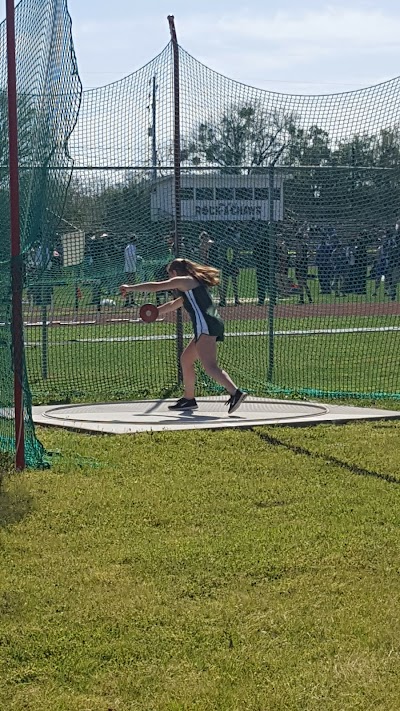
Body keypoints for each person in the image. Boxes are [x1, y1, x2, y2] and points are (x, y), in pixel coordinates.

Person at [119, 258, 247, 414]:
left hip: (205, 325)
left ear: (174, 273)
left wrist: (130, 288)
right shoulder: (191, 286)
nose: (170, 279)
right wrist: (155, 312)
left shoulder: (184, 281)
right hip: (209, 324)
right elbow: (174, 305)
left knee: (210, 366)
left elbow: (155, 287)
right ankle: (189, 399)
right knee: (186, 359)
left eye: (170, 275)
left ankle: (235, 392)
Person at [123, 235, 139, 307]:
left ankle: (131, 300)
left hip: (130, 268)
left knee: (131, 285)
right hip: (130, 269)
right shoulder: (131, 247)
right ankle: (128, 301)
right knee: (130, 285)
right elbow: (132, 257)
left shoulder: (128, 247)